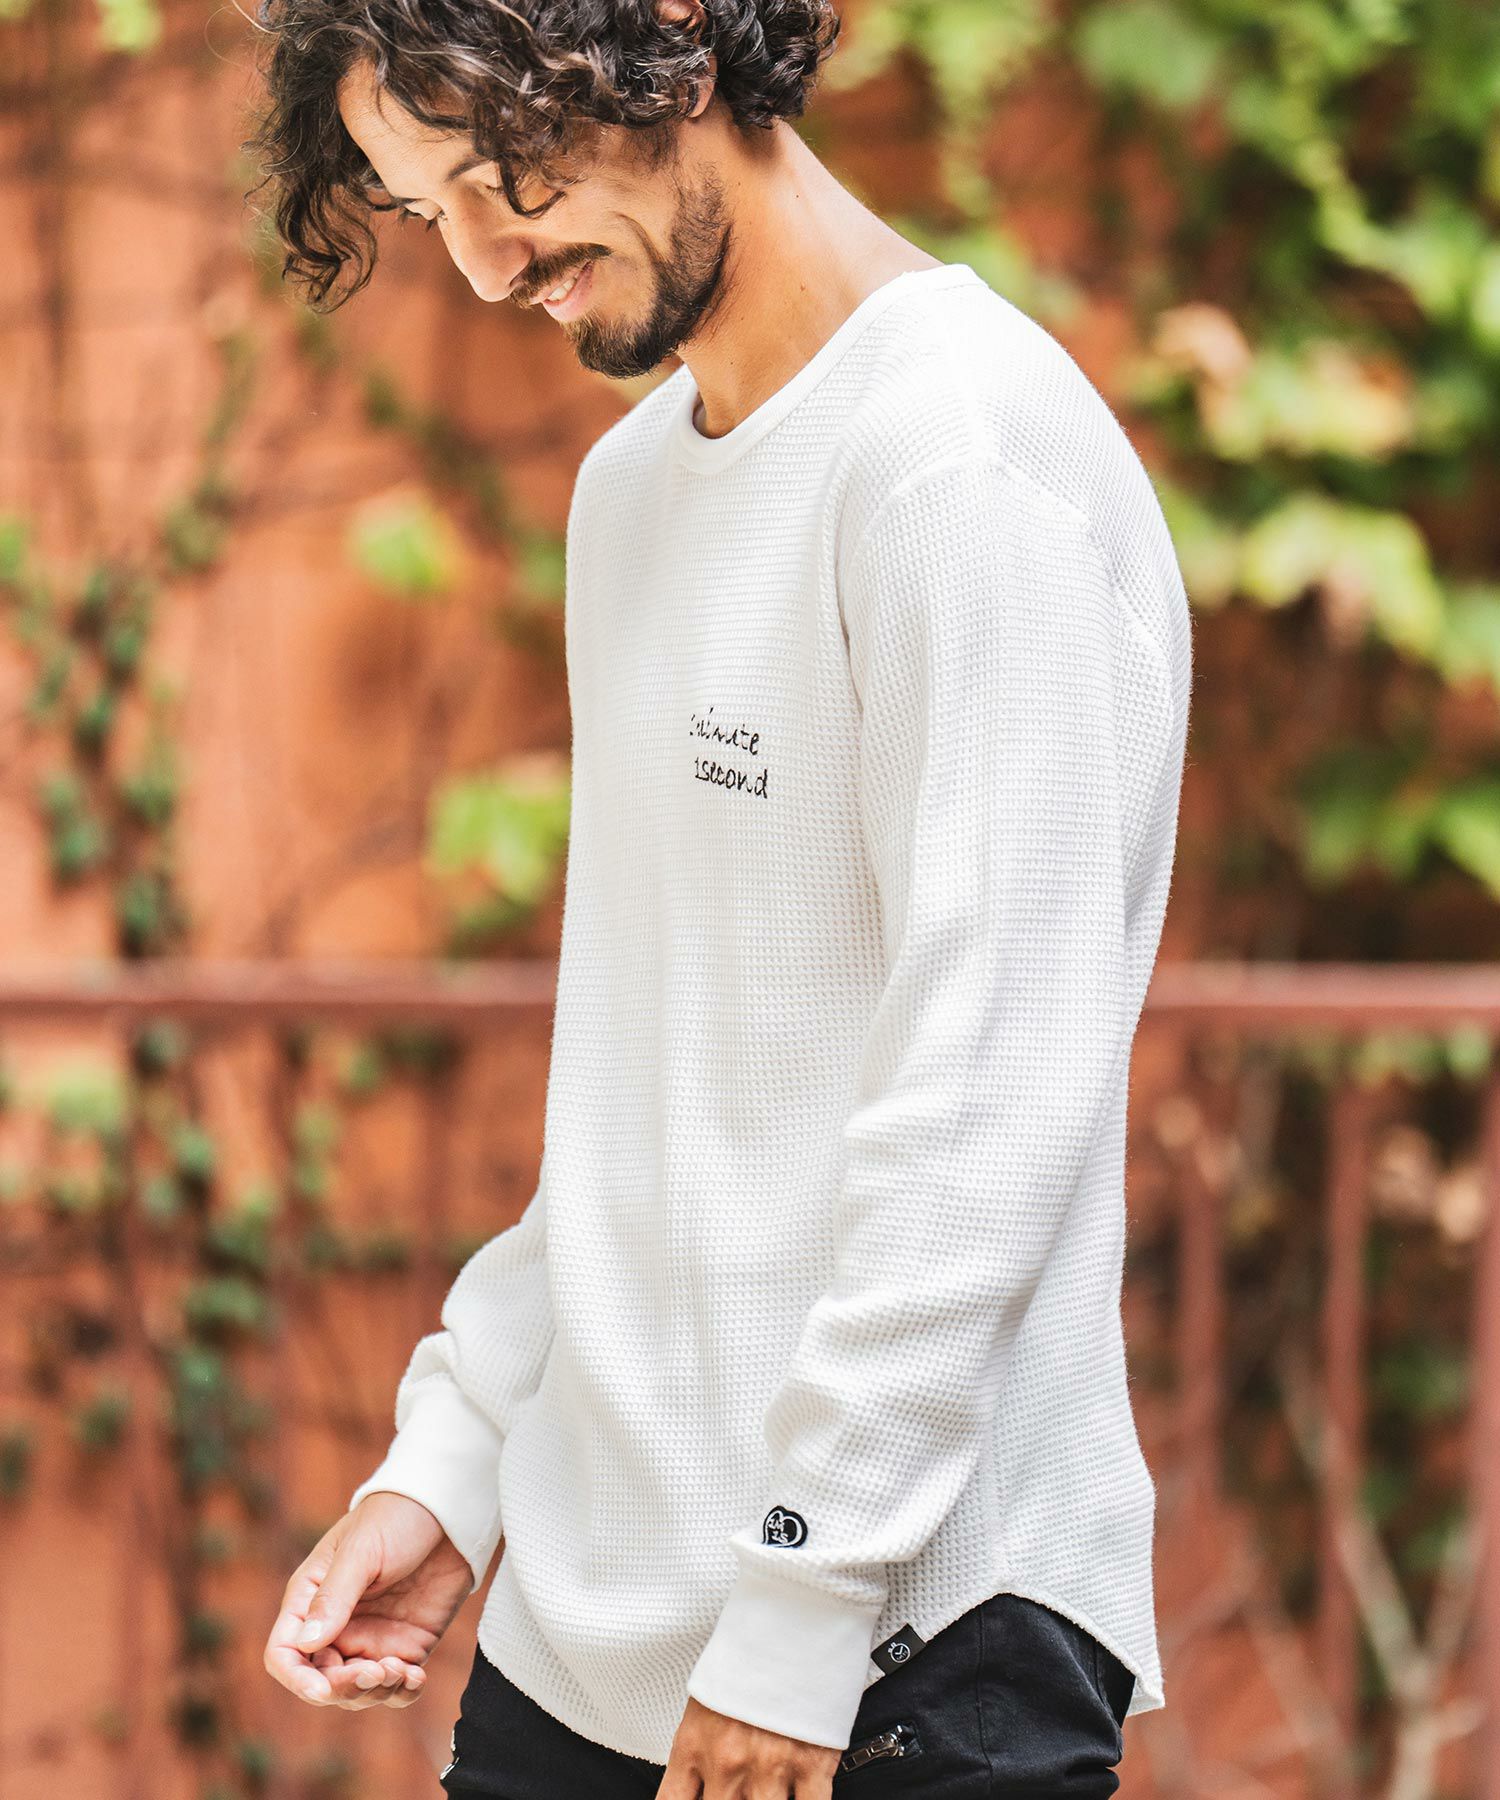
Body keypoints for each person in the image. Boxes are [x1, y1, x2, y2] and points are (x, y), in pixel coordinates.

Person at [249, 1, 1193, 1794]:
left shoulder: (964, 461)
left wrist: (799, 1606)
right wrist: (457, 1457)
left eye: (501, 171)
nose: (481, 263)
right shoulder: (630, 494)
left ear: (667, 35)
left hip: (899, 1653)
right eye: (430, 209)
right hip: (579, 1645)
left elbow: (989, 1104)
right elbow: (648, 1086)